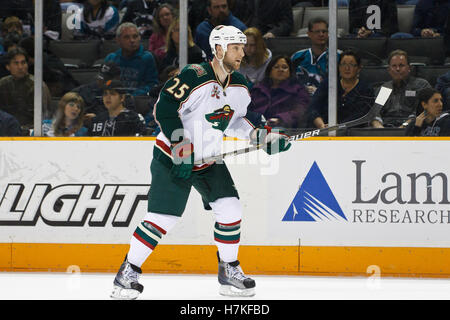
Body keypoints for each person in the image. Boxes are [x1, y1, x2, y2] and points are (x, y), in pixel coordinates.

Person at [110, 25, 291, 300]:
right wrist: (180, 142)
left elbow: (236, 121)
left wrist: (259, 136)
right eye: (235, 47)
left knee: (230, 209)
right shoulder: (193, 76)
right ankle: (127, 273)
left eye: (242, 47)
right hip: (172, 157)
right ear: (218, 49)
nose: (242, 53)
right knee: (163, 218)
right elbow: (165, 107)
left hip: (207, 160)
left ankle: (229, 270)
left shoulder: (240, 86)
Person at [308, 50, 375, 129]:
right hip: (323, 130)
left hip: (352, 133)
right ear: (339, 67)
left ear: (359, 68)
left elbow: (361, 116)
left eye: (351, 64)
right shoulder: (328, 84)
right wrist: (321, 125)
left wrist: (338, 128)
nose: (347, 68)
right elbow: (313, 107)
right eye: (343, 64)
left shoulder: (366, 89)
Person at [372, 49, 431, 128]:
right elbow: (376, 113)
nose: (397, 69)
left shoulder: (421, 85)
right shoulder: (384, 89)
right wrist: (379, 127)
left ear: (409, 68)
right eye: (394, 66)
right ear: (389, 70)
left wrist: (404, 126)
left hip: (413, 128)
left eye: (401, 65)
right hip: (386, 129)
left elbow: (425, 111)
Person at [249, 55, 310, 128]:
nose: (280, 70)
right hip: (256, 126)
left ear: (290, 72)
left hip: (284, 128)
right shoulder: (258, 89)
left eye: (284, 67)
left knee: (273, 136)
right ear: (270, 71)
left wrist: (280, 119)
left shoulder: (298, 90)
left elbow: (301, 110)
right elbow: (247, 109)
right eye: (276, 67)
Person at [0, 47, 52, 130]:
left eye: (23, 63)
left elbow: (45, 117)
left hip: (32, 132)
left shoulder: (38, 86)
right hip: (7, 131)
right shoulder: (2, 84)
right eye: (16, 63)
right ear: (8, 67)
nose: (20, 67)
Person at [105, 22, 159, 96]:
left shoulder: (147, 58)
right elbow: (104, 83)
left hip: (137, 101)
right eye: (127, 37)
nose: (132, 40)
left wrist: (133, 95)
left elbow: (152, 85)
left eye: (135, 36)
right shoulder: (111, 58)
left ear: (140, 38)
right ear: (118, 40)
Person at [291, 17, 341, 96]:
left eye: (324, 31)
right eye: (317, 32)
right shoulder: (297, 56)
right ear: (309, 34)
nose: (321, 34)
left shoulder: (338, 56)